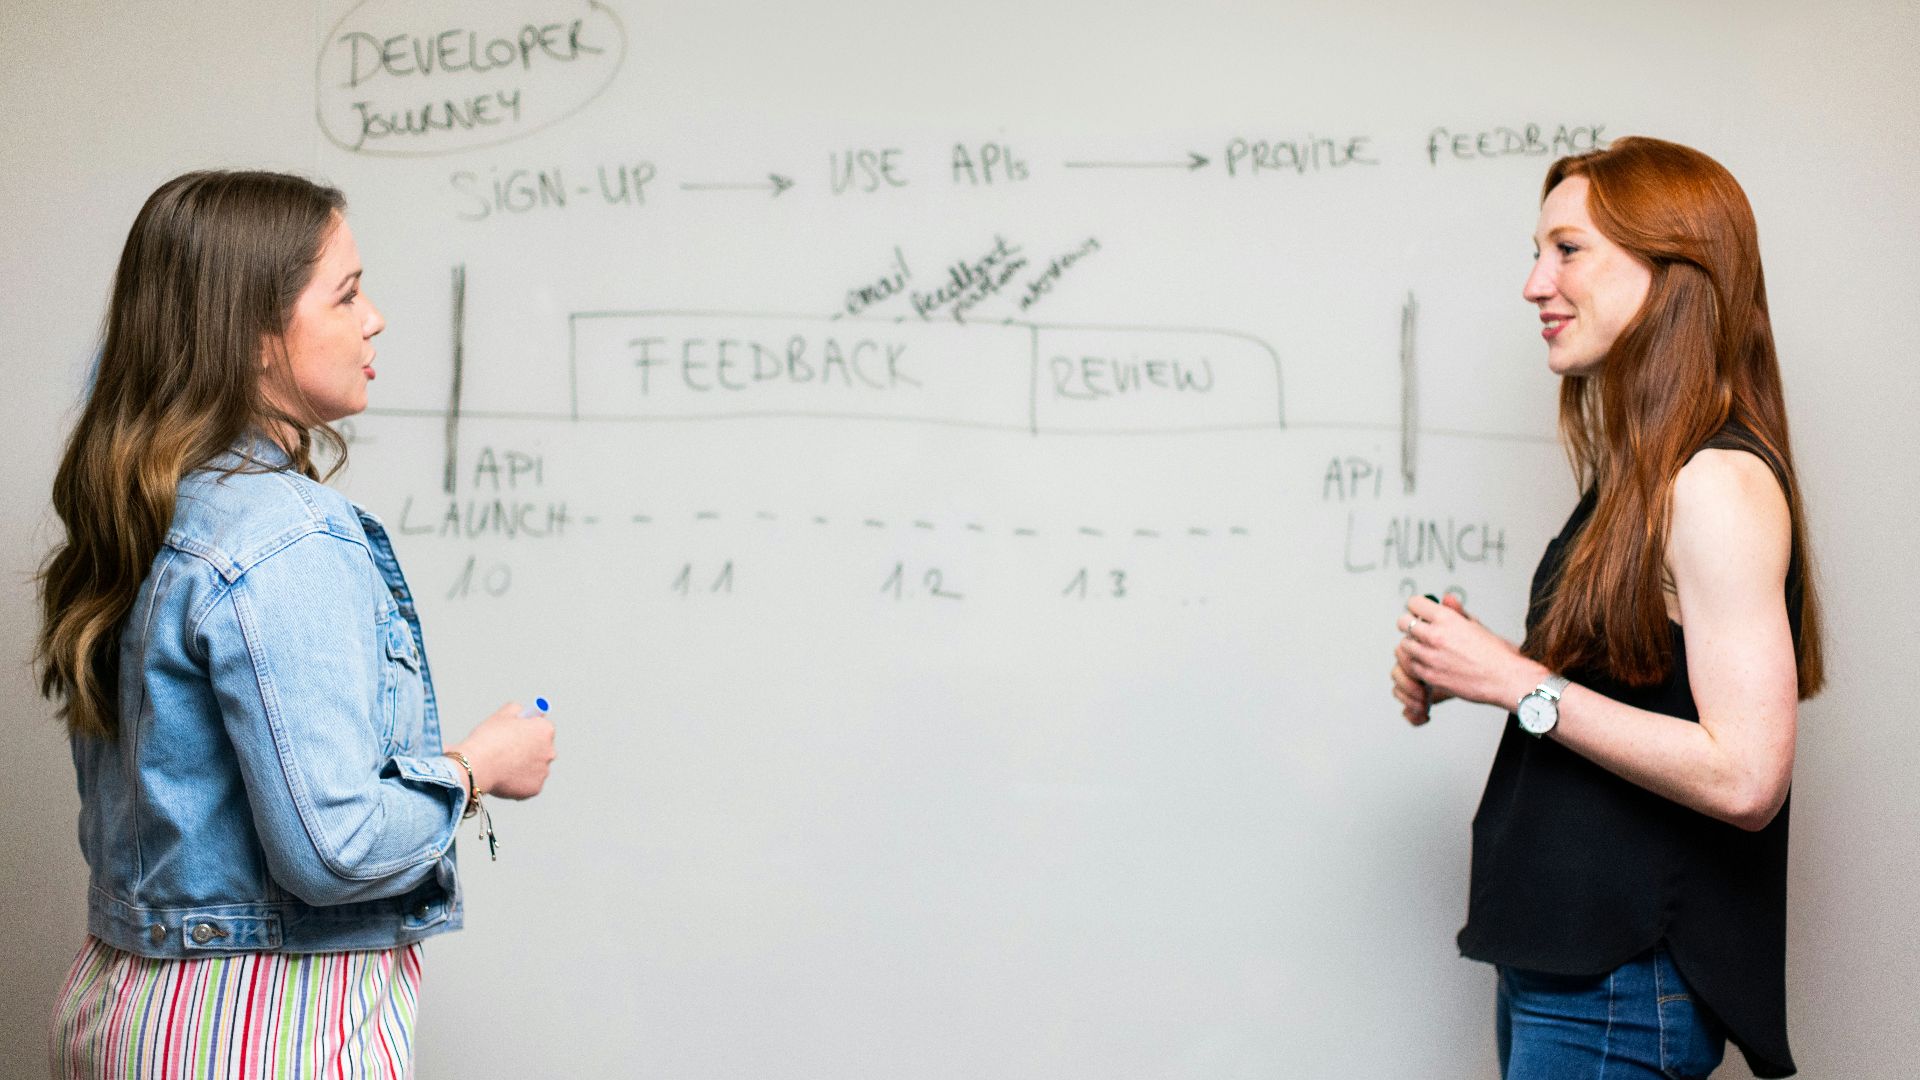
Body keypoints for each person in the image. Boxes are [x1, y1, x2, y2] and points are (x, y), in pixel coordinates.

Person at [37, 170, 558, 1078]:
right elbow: (335, 851)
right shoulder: (285, 533)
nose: (374, 319)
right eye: (346, 294)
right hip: (256, 1031)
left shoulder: (147, 507)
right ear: (252, 336)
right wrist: (477, 769)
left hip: (121, 1005)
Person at [1390, 137, 1821, 1079]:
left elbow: (1748, 778)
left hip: (1618, 992)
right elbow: (1635, 691)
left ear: (1673, 272)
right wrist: (1477, 666)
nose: (1534, 285)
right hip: (1571, 976)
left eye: (1568, 250)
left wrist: (1517, 684)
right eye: (1536, 252)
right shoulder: (1642, 478)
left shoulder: (1716, 483)